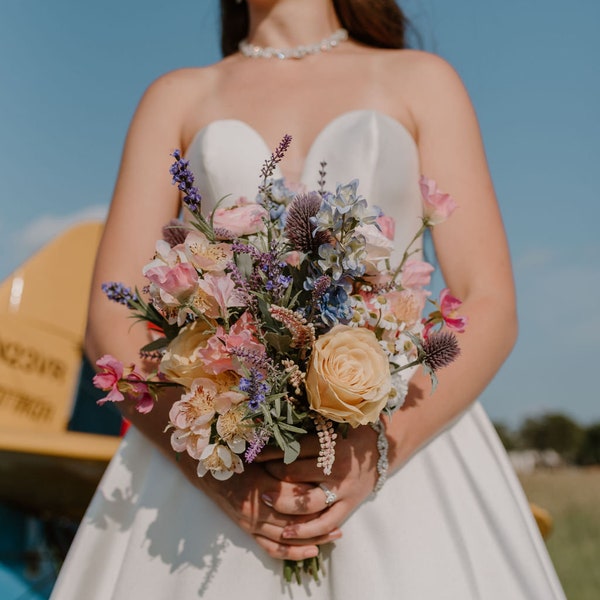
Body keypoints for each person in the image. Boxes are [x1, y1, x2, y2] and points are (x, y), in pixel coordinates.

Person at [50, 0, 566, 598]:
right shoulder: (176, 97)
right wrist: (220, 473)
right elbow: (112, 319)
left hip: (405, 458)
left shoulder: (423, 80)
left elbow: (490, 301)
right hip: (220, 462)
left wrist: (377, 449)